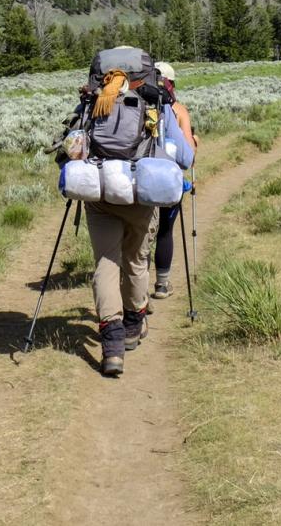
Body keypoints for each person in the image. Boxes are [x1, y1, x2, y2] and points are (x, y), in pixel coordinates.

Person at [84, 71, 194, 378]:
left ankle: (112, 347)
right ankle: (133, 327)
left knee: (106, 264)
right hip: (140, 193)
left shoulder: (96, 96)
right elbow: (185, 159)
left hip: (100, 192)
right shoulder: (155, 100)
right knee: (135, 261)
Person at [149, 62, 198, 300]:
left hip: (141, 177)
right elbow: (187, 153)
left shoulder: (139, 104)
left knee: (139, 234)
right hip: (169, 180)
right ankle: (161, 283)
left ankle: (135, 292)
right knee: (165, 231)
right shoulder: (178, 110)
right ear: (172, 84)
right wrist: (195, 142)